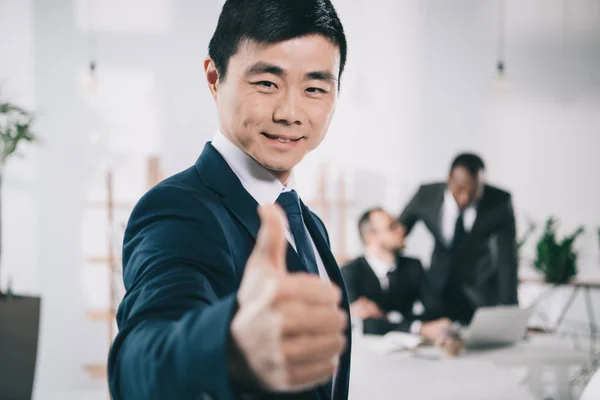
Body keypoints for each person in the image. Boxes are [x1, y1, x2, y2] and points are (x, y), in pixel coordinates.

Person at [107, 1, 351, 399]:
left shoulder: (307, 222)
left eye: (314, 88)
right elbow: (137, 362)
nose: (290, 113)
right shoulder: (177, 210)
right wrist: (231, 347)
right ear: (214, 78)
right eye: (267, 83)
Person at [398, 153, 518, 325]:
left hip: (479, 291)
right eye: (460, 189)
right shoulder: (426, 195)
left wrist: (509, 310)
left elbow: (507, 259)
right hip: (436, 290)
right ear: (449, 179)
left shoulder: (499, 201)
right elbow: (396, 233)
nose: (465, 198)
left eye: (473, 191)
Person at [342, 208, 451, 342]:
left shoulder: (413, 266)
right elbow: (364, 325)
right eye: (392, 227)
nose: (402, 229)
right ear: (371, 238)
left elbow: (436, 312)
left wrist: (385, 316)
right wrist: (418, 327)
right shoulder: (349, 273)